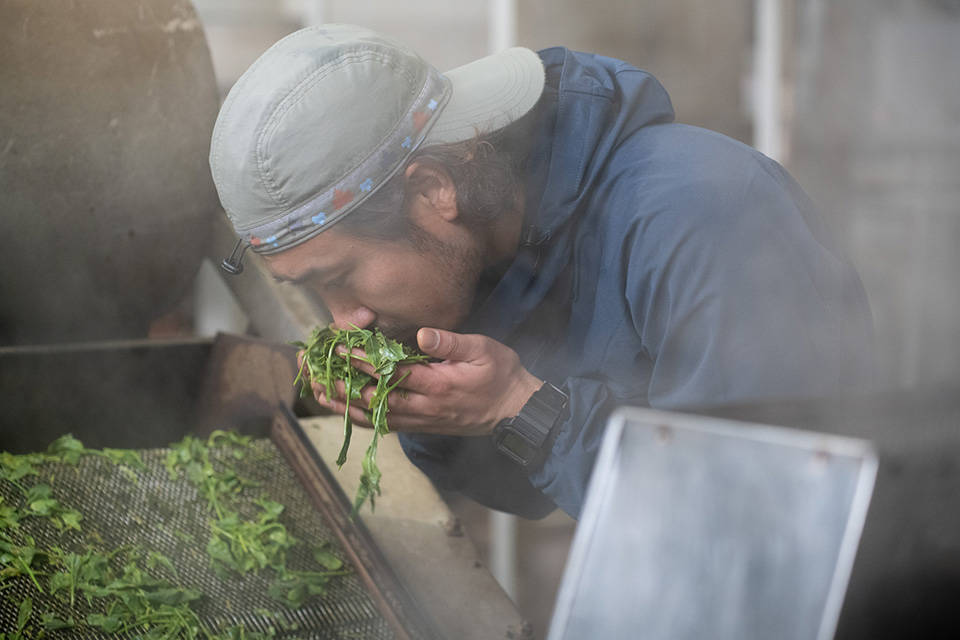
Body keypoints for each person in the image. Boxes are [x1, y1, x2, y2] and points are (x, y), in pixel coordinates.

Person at [209, 25, 874, 519]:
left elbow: (765, 514)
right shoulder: (492, 251)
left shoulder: (706, 217)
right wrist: (444, 416)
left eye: (342, 273)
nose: (344, 317)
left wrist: (522, 409)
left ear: (434, 190)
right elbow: (536, 493)